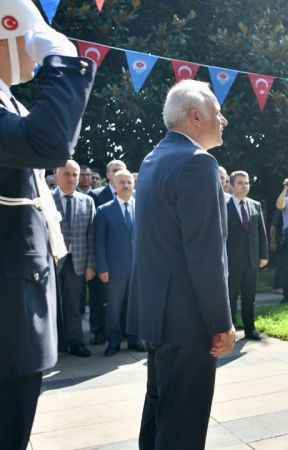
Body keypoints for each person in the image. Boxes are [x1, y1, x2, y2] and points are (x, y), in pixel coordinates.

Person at [0, 3, 94, 447]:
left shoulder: (9, 101)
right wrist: (62, 59)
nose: (33, 52)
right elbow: (50, 142)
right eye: (29, 38)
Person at [128, 80, 235, 450]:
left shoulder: (153, 159)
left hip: (159, 316)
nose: (223, 120)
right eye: (217, 112)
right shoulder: (198, 163)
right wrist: (221, 323)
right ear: (195, 116)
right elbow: (205, 254)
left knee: (159, 415)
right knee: (183, 428)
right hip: (188, 321)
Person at [94, 169, 144, 356]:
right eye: (121, 182)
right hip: (114, 270)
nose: (126, 185)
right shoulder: (104, 210)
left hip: (137, 269)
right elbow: (99, 243)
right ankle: (113, 343)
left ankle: (135, 340)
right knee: (113, 309)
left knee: (135, 307)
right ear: (114, 185)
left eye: (129, 182)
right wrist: (102, 268)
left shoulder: (141, 208)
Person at [53, 160, 96, 357]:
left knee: (73, 304)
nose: (71, 178)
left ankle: (75, 342)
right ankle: (55, 344)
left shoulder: (87, 201)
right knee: (51, 302)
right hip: (52, 261)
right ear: (56, 175)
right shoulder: (46, 199)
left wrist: (91, 265)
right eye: (66, 174)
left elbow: (91, 236)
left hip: (77, 261)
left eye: (74, 174)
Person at [226, 170, 269, 340]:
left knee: (249, 297)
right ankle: (230, 331)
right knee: (230, 297)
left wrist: (264, 255)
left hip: (252, 260)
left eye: (247, 183)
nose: (244, 186)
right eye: (240, 183)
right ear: (231, 185)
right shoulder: (224, 206)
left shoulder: (255, 205)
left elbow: (261, 233)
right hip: (231, 261)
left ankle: (250, 329)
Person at [88, 158, 127, 344]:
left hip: (125, 261)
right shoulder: (96, 196)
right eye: (114, 170)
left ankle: (125, 331)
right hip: (104, 257)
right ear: (108, 175)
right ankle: (99, 331)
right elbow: (94, 232)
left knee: (125, 300)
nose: (117, 173)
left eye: (121, 169)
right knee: (101, 298)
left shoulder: (134, 198)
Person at [269, 209, 284, 292]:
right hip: (280, 241)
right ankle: (277, 286)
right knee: (280, 265)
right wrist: (273, 242)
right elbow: (273, 228)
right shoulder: (279, 211)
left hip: (287, 241)